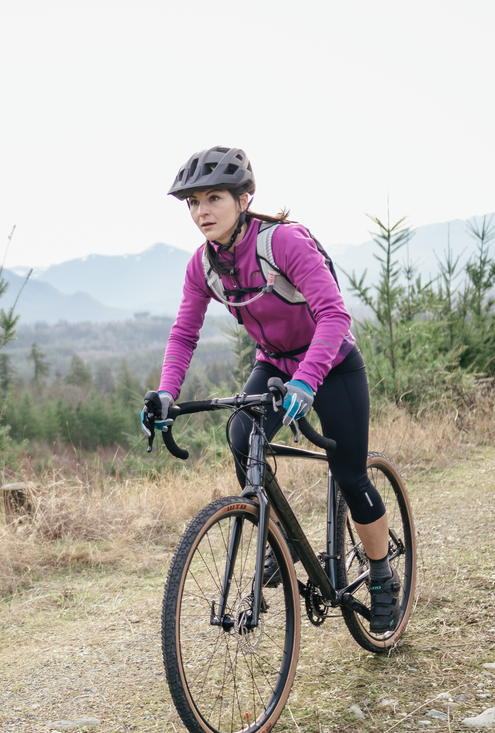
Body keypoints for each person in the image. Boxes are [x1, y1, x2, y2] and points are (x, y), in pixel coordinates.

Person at [144, 146, 398, 633]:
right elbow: (184, 334)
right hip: (276, 365)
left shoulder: (284, 243)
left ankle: (383, 574)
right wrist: (166, 394)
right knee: (241, 437)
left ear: (244, 199)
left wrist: (308, 380)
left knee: (350, 473)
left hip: (332, 364)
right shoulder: (203, 267)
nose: (202, 212)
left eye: (213, 198)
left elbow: (334, 315)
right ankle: (279, 545)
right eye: (193, 203)